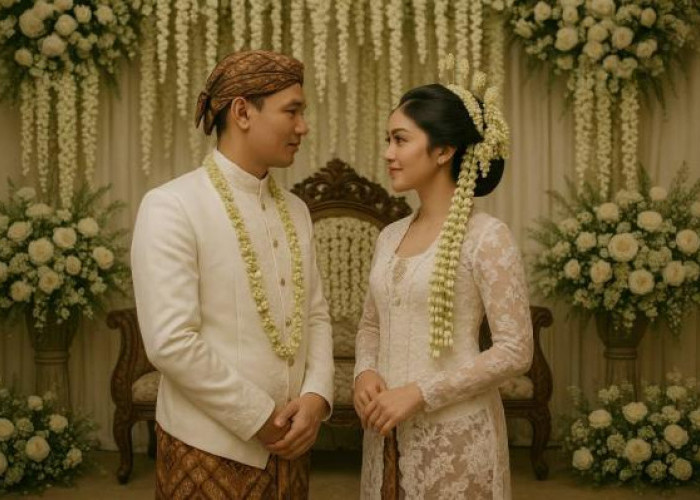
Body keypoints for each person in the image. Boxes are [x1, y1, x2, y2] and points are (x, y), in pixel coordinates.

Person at [131, 49, 334, 499]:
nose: (303, 127)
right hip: (206, 449)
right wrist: (258, 417)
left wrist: (316, 398)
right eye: (292, 111)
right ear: (242, 112)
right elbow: (170, 341)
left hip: (291, 447)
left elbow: (316, 314)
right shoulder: (172, 206)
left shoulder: (296, 210)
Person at [353, 61, 534, 499]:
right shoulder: (390, 236)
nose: (388, 153)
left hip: (457, 436)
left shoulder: (486, 237)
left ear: (443, 150)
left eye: (400, 140)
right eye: (387, 140)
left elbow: (515, 350)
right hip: (385, 430)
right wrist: (364, 372)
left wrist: (420, 393)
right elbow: (371, 325)